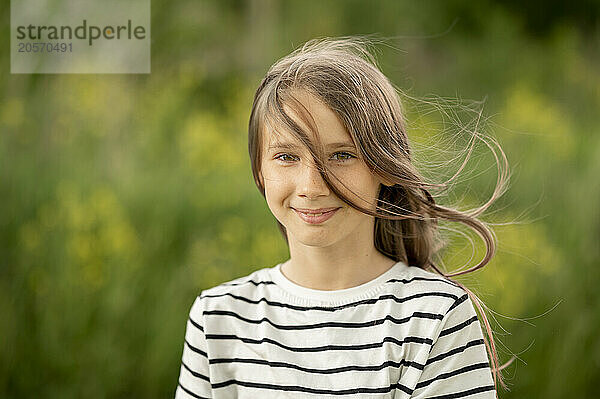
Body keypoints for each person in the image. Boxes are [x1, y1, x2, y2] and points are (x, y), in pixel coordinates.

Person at [175, 36, 514, 398]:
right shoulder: (218, 319)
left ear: (386, 166)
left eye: (341, 156)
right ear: (258, 171)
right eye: (287, 157)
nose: (311, 186)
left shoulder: (435, 318)